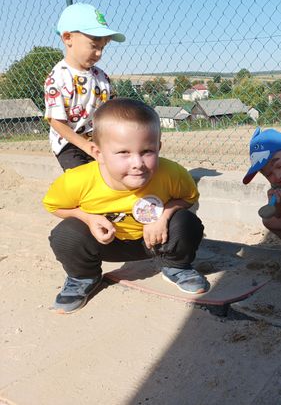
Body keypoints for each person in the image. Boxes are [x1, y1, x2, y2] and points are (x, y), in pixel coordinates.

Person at [42, 98, 208, 314]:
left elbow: (188, 197)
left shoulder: (172, 173)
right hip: (106, 244)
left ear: (158, 147)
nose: (138, 163)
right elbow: (54, 206)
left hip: (156, 242)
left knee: (186, 221)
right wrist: (89, 218)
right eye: (123, 153)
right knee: (66, 233)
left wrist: (165, 215)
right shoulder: (77, 180)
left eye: (147, 151)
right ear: (98, 153)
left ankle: (176, 267)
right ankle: (83, 277)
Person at [44, 3, 125, 170]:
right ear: (68, 38)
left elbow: (111, 108)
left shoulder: (101, 77)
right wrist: (85, 145)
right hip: (69, 143)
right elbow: (55, 121)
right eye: (94, 46)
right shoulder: (57, 78)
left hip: (98, 139)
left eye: (102, 47)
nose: (99, 53)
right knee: (80, 177)